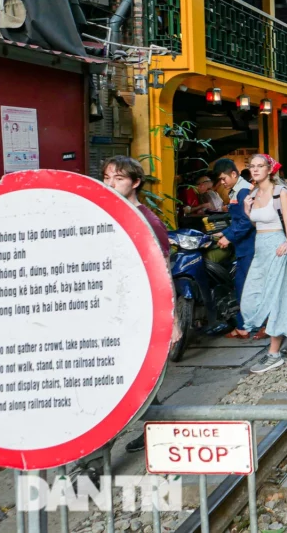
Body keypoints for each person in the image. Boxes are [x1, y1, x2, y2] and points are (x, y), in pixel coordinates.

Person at [99, 156, 180, 454]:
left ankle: (97, 460)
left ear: (135, 183)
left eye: (118, 178)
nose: (110, 183)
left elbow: (163, 270)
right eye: (107, 177)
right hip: (110, 310)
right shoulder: (104, 215)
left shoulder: (147, 220)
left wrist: (174, 322)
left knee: (129, 379)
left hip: (138, 312)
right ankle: (157, 427)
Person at [241, 154, 287, 374]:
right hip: (260, 249)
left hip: (277, 247)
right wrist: (247, 212)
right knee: (251, 296)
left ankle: (274, 354)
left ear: (269, 169)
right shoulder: (253, 193)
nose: (255, 170)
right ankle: (277, 334)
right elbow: (258, 222)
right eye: (252, 167)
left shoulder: (280, 192)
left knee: (278, 299)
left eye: (260, 166)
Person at [213, 158, 256, 338]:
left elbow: (246, 221)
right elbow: (238, 221)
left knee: (245, 287)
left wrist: (228, 237)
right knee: (243, 286)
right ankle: (244, 325)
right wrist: (224, 233)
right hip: (245, 246)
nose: (222, 183)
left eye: (224, 178)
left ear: (233, 174)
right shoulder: (237, 190)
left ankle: (246, 326)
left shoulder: (242, 191)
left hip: (248, 247)